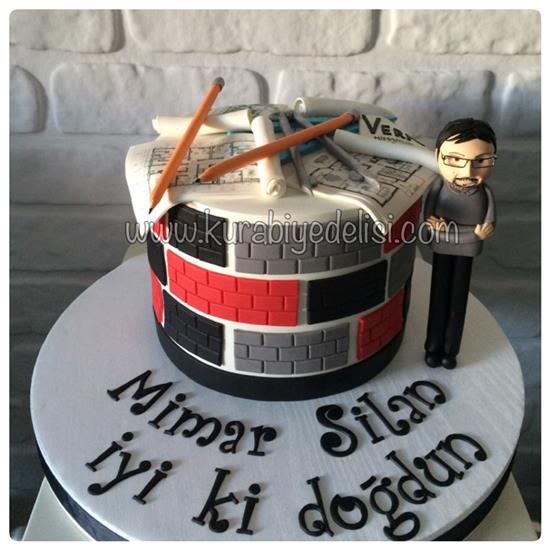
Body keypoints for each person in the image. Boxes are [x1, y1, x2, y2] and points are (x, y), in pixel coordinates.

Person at [424, 118, 497, 369]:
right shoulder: (437, 187)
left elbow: (489, 220)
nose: (468, 172)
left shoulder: (486, 193)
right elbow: (428, 216)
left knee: (458, 298)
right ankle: (433, 347)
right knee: (439, 293)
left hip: (468, 246)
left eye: (481, 161)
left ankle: (450, 350)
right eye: (455, 159)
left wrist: (484, 230)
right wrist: (433, 223)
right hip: (444, 244)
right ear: (438, 156)